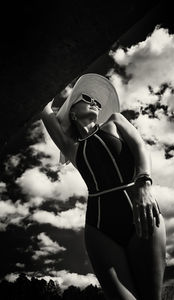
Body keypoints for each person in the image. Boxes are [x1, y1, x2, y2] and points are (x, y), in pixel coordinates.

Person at [40, 73, 166, 300]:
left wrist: (144, 184)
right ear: (72, 112)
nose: (95, 103)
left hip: (140, 210)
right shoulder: (71, 148)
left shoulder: (116, 121)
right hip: (99, 228)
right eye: (87, 98)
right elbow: (44, 109)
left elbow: (140, 149)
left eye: (98, 102)